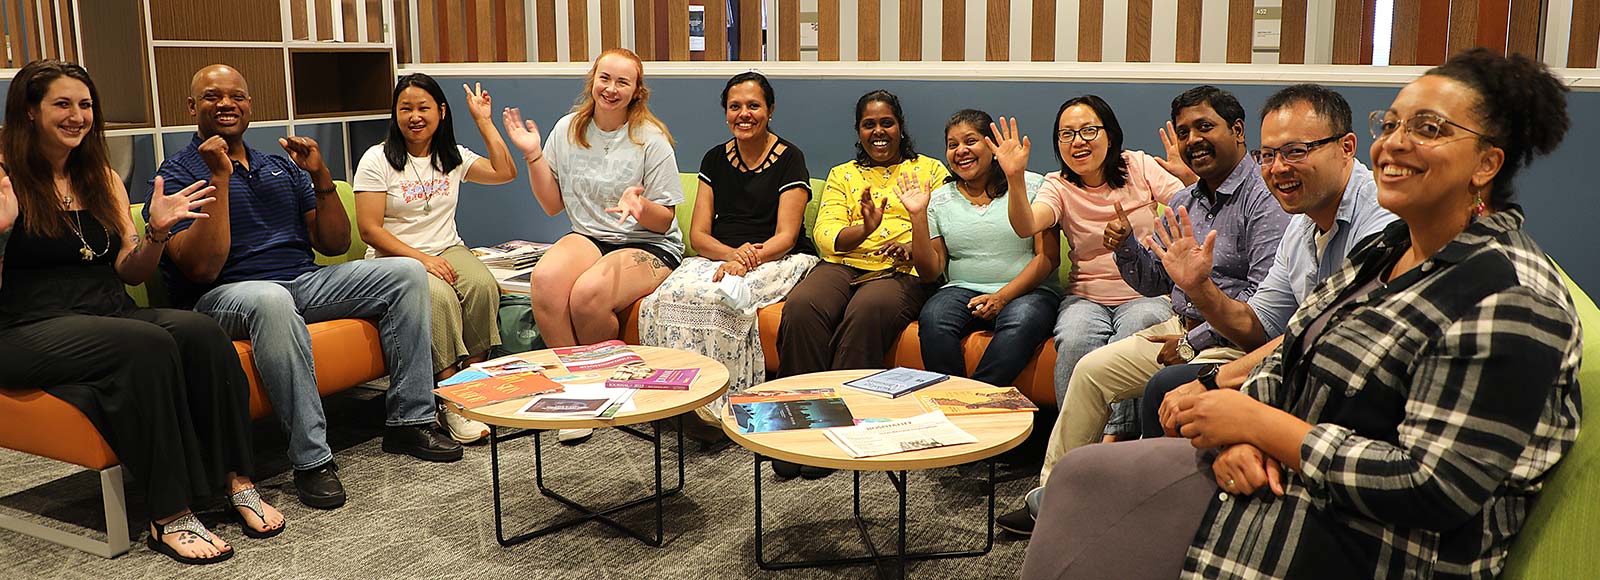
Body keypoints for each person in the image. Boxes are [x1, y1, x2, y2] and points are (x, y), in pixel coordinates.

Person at [1023, 49, 1583, 580]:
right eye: (1389, 125)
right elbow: (1291, 347)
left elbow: (1434, 487)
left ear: (1486, 162)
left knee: (1090, 495)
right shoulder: (1385, 252)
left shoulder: (1511, 297)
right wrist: (1235, 433)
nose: (1393, 145)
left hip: (1369, 538)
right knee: (1082, 475)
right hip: (1282, 474)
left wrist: (1257, 425)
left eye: (1428, 129)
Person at [0, 60, 283, 565]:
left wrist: (156, 233)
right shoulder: (5, 179)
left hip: (106, 311)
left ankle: (234, 478)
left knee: (201, 331)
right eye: (62, 104)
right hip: (25, 327)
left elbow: (131, 272)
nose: (77, 116)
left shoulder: (101, 177)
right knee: (147, 344)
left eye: (85, 105)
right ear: (28, 111)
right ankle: (169, 512)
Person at [150, 64, 460, 512]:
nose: (226, 104)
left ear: (250, 105)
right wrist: (219, 178)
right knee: (272, 298)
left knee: (406, 272)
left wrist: (320, 179)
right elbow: (200, 267)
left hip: (303, 280)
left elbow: (333, 242)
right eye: (212, 97)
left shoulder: (279, 165)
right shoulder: (178, 172)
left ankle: (410, 420)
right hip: (227, 295)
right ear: (191, 107)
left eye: (236, 96)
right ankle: (312, 460)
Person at [998, 85, 1291, 535]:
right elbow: (1156, 278)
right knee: (1090, 370)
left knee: (1154, 362)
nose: (1193, 139)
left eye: (1204, 127)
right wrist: (1128, 247)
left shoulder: (1263, 199)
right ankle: (1055, 495)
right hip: (1176, 324)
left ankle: (1132, 499)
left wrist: (1193, 341)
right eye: (1184, 130)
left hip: (1228, 342)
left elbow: (1262, 311)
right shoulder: (1188, 201)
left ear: (1237, 130)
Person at [1139, 84, 1397, 439]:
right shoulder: (1301, 225)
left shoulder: (1382, 220)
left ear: (1346, 148)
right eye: (1269, 155)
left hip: (1354, 397)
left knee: (1174, 390)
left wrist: (1216, 381)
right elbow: (1256, 326)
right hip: (1299, 371)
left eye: (1295, 151)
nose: (1278, 169)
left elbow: (1328, 332)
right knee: (1163, 391)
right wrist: (1199, 288)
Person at [502, 48, 684, 445]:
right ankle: (578, 390)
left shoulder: (651, 139)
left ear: (637, 91)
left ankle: (607, 386)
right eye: (605, 78)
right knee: (546, 280)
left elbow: (665, 219)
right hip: (589, 235)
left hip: (649, 243)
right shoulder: (568, 129)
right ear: (593, 80)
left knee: (587, 295)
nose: (612, 89)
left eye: (623, 82)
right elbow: (552, 204)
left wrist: (640, 207)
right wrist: (532, 154)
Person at [773, 89, 948, 479]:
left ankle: (838, 433)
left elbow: (942, 233)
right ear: (859, 131)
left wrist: (907, 243)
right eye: (869, 124)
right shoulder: (843, 175)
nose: (879, 131)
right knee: (802, 307)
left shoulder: (932, 172)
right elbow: (827, 236)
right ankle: (796, 429)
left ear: (901, 127)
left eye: (887, 122)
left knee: (867, 311)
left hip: (901, 271)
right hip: (844, 264)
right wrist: (865, 228)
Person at [636, 72, 819, 430]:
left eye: (754, 105)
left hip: (779, 257)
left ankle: (727, 409)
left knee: (726, 299)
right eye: (735, 106)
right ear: (726, 112)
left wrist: (747, 260)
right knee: (667, 295)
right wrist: (732, 256)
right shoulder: (714, 159)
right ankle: (678, 404)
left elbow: (786, 235)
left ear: (770, 110)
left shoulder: (790, 158)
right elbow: (699, 235)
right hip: (719, 254)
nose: (744, 113)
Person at [999, 95, 1187, 443]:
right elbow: (1027, 225)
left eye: (1088, 131)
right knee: (1073, 339)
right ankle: (1074, 445)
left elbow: (1190, 205)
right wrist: (1014, 177)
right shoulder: (1057, 184)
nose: (1078, 142)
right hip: (1086, 297)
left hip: (1145, 292)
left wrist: (1189, 177)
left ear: (1110, 136)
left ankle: (1116, 442)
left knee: (1138, 329)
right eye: (1066, 134)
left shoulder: (1140, 166)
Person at [353, 73, 518, 444]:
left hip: (447, 247)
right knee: (439, 298)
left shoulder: (451, 156)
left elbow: (506, 172)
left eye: (423, 107)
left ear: (441, 112)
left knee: (482, 285)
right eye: (405, 108)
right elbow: (369, 230)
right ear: (394, 114)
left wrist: (484, 121)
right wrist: (422, 260)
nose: (415, 116)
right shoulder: (377, 159)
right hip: (393, 259)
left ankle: (472, 385)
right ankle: (451, 398)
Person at [899, 109, 1059, 388]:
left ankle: (975, 400)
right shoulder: (938, 198)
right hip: (961, 289)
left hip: (1027, 292)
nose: (961, 151)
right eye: (952, 145)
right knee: (934, 319)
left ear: (991, 145)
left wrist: (1002, 297)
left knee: (1021, 321)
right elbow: (929, 272)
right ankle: (955, 398)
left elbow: (1048, 258)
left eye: (970, 141)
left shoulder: (1030, 184)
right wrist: (918, 217)